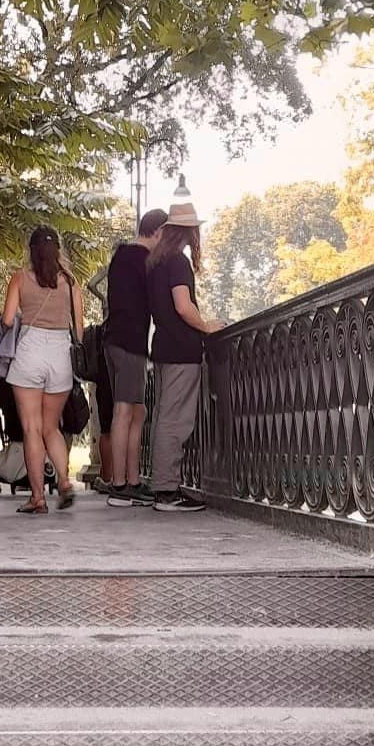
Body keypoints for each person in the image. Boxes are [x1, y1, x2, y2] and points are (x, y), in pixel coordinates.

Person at [145, 181, 223, 512]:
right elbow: (182, 304)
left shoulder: (154, 263)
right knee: (176, 420)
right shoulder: (178, 262)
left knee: (164, 416)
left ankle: (162, 484)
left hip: (163, 345)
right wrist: (206, 326)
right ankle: (166, 490)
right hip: (181, 349)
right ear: (188, 232)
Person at [2, 226, 84, 516]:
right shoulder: (71, 283)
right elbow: (80, 330)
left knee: (31, 429)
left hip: (30, 351)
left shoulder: (20, 278)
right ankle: (64, 480)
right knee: (51, 427)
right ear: (57, 250)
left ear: (31, 250)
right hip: (60, 353)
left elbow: (8, 318)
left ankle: (37, 498)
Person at [102, 207, 168, 507]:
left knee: (135, 411)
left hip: (119, 339)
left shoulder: (122, 256)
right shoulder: (144, 261)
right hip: (130, 342)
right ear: (157, 231)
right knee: (125, 411)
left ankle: (131, 480)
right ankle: (120, 484)